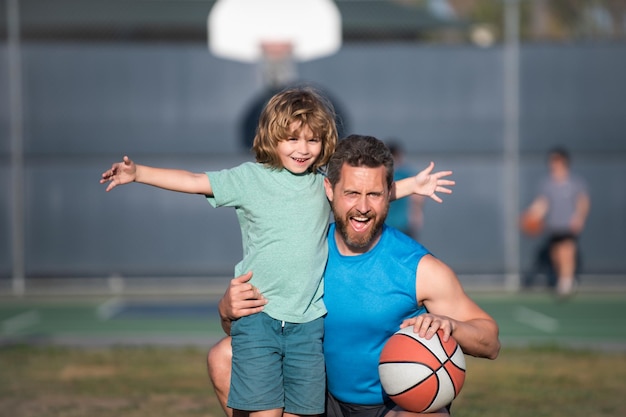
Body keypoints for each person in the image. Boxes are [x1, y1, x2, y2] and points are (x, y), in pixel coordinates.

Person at [100, 88, 454, 417]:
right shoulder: (249, 179)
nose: (303, 148)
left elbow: (364, 195)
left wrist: (412, 186)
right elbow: (194, 181)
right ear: (272, 137)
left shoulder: (320, 185)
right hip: (260, 320)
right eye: (292, 138)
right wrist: (139, 173)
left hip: (307, 326)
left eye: (313, 139)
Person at [207, 135, 501, 417]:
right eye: (352, 194)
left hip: (390, 404)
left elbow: (490, 342)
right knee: (224, 358)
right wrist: (227, 311)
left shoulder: (419, 268)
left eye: (374, 194)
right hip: (316, 395)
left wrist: (449, 325)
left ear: (389, 195)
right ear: (329, 190)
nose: (362, 208)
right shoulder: (305, 251)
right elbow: (259, 337)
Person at [522, 146, 590, 297]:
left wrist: (579, 217)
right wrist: (530, 214)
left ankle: (566, 283)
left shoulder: (574, 182)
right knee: (556, 255)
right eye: (552, 161)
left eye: (557, 161)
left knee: (567, 252)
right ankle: (562, 279)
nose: (553, 164)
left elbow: (583, 201)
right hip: (554, 226)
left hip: (568, 225)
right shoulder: (547, 184)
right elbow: (542, 203)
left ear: (564, 161)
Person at [385, 141, 425, 240]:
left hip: (385, 225)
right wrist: (417, 214)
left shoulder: (381, 176)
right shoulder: (407, 175)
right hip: (403, 225)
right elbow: (417, 200)